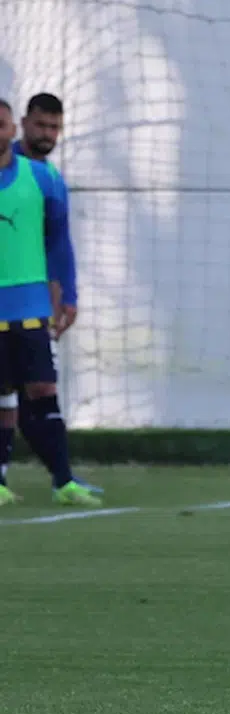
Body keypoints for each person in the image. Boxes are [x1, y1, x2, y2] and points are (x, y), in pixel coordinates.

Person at [0, 97, 99, 507]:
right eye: (41, 126)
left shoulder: (45, 178)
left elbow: (59, 243)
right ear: (23, 125)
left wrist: (66, 294)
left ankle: (63, 479)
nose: (48, 135)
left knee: (40, 388)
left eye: (54, 127)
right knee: (7, 395)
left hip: (30, 306)